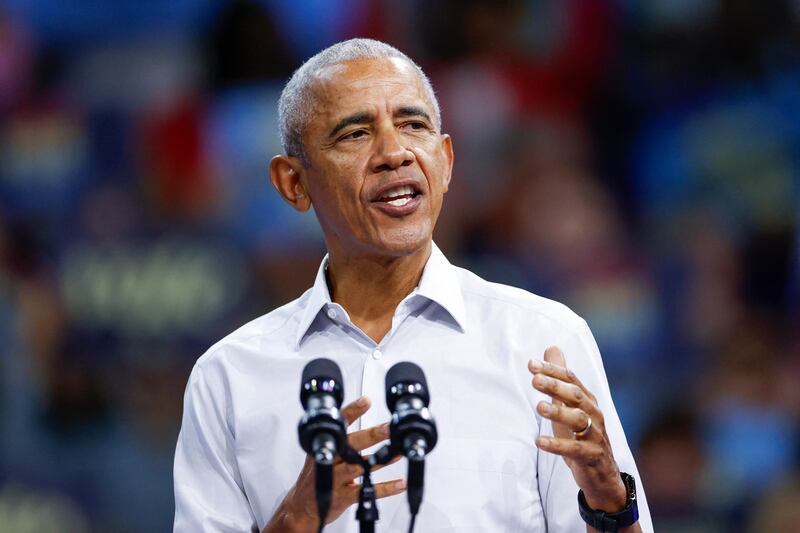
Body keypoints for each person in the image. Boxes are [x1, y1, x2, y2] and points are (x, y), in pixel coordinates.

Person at [173, 38, 653, 533]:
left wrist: (610, 501)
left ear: (444, 162)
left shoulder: (542, 341)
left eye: (413, 126)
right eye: (355, 134)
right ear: (293, 183)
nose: (394, 153)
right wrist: (297, 518)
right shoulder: (228, 378)